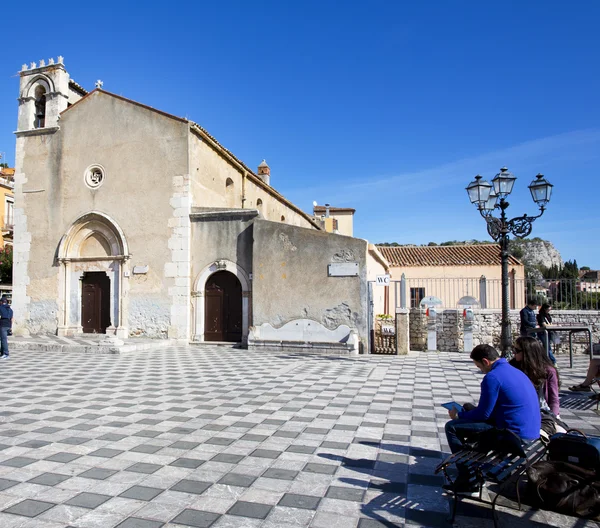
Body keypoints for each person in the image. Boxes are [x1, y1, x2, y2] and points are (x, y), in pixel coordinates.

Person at [444, 344, 541, 492]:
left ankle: (468, 478)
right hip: (531, 429)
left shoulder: (492, 377)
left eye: (479, 366)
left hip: (513, 435)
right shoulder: (515, 371)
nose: (481, 370)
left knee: (452, 427)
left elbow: (484, 414)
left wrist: (459, 415)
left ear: (486, 361)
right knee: (469, 409)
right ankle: (474, 459)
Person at [509, 336, 560, 417]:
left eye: (516, 350)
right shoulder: (513, 367)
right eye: (513, 349)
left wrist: (554, 417)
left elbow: (553, 399)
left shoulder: (548, 371)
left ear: (527, 353)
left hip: (543, 412)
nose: (513, 353)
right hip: (520, 411)